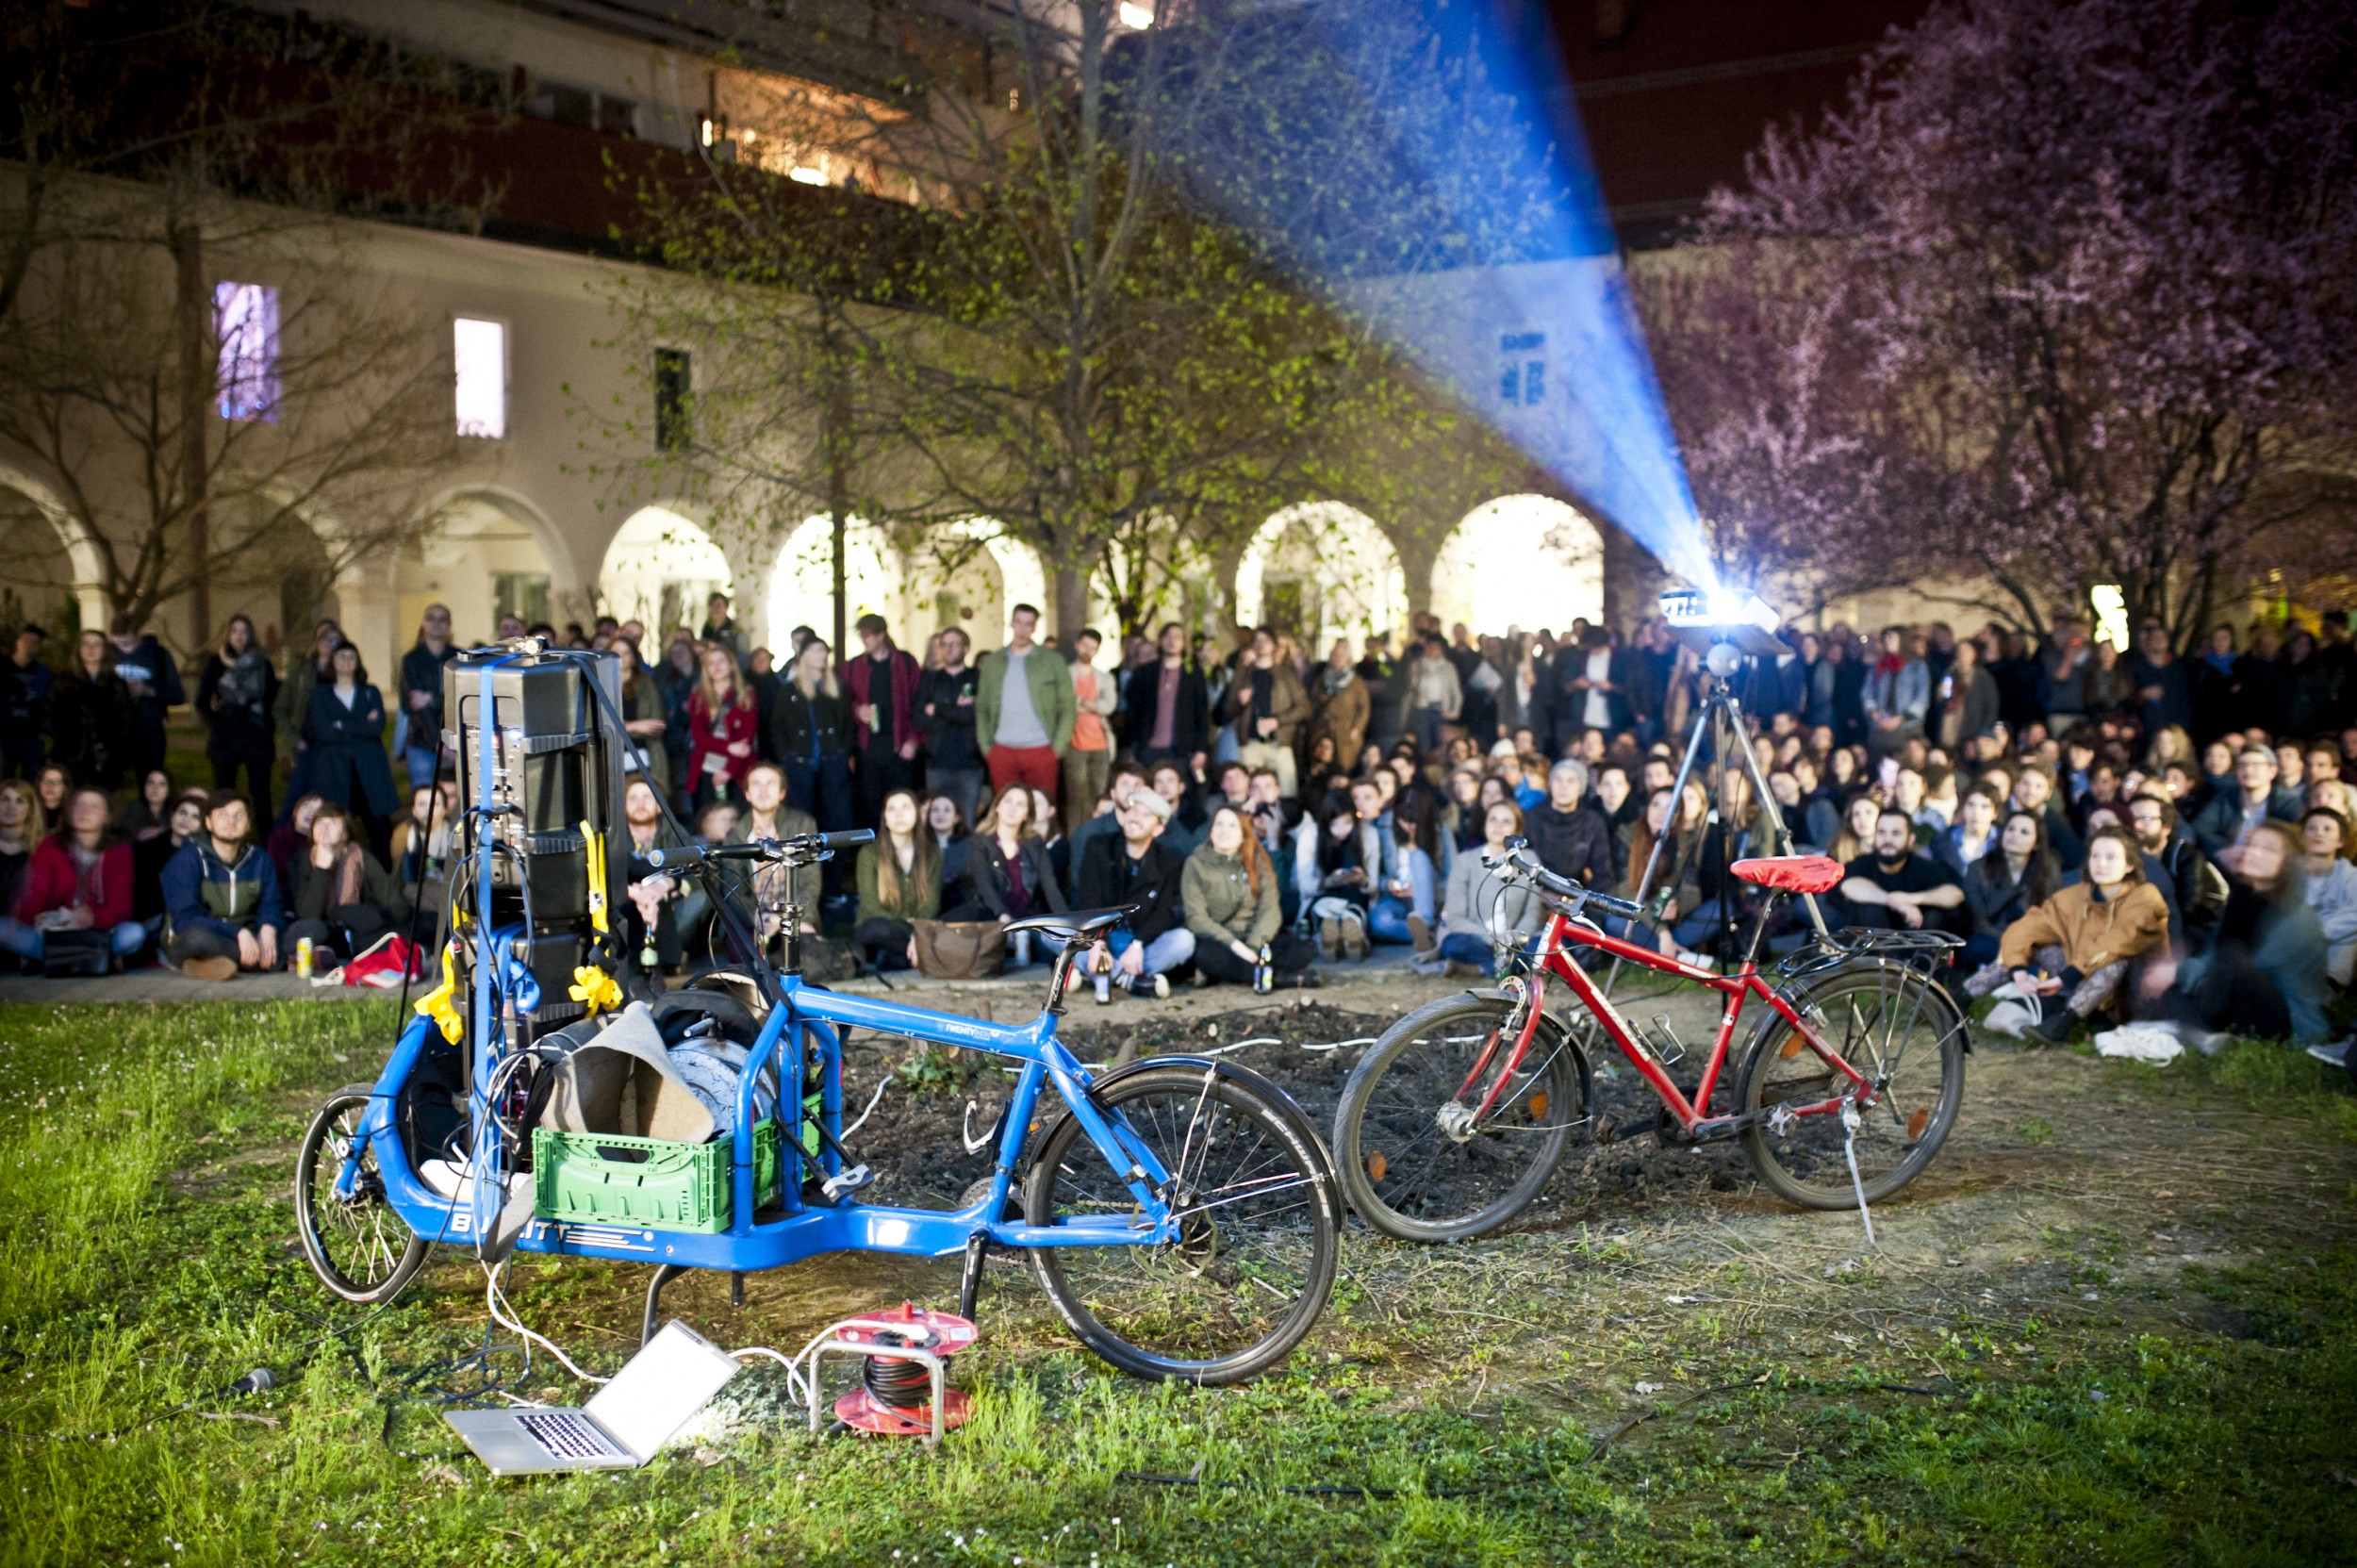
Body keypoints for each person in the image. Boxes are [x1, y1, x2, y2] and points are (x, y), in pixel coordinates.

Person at [2151, 819, 2330, 1049]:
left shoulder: (2295, 915)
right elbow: (2213, 954)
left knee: (2230, 959)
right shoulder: (2243, 896)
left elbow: (2249, 967)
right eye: (2252, 844)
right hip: (2233, 996)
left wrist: (2179, 972)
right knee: (2182, 957)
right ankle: (2195, 1030)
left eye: (2268, 849)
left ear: (2287, 863)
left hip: (2287, 1017)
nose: (2254, 852)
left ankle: (2189, 1027)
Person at [1987, 826, 2170, 1042]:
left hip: (2137, 993)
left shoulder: (2146, 896)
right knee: (2039, 946)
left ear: (2130, 865)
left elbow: (2117, 942)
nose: (2101, 863)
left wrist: (2067, 977)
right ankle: (1961, 998)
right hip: (2087, 985)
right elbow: (2027, 927)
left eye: (2111, 857)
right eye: (2095, 856)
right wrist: (2018, 969)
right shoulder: (2078, 895)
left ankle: (2063, 1022)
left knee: (2113, 961)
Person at [0, 785, 145, 970]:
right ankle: (91, 959)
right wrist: (35, 921)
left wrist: (92, 918)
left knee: (135, 933)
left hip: (98, 932)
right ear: (69, 812)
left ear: (107, 817)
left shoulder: (119, 853)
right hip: (53, 930)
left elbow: (121, 909)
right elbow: (34, 894)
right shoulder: (50, 845)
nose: (84, 811)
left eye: (94, 806)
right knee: (3, 928)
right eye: (78, 805)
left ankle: (57, 959)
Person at [1073, 789, 1194, 999]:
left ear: (1158, 829)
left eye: (1145, 815)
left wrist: (1138, 944)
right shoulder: (1099, 846)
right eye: (1133, 810)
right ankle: (1134, 980)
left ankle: (1102, 975)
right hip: (1101, 937)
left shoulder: (1169, 860)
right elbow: (1089, 898)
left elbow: (1166, 911)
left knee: (1184, 941)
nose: (1135, 818)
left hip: (1140, 944)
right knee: (1057, 934)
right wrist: (1098, 942)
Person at [1184, 803, 1316, 987]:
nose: (1224, 831)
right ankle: (1279, 978)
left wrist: (1254, 946)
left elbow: (1270, 909)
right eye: (1219, 824)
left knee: (1302, 951)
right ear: (1211, 830)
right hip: (1221, 941)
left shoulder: (1257, 861)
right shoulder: (1195, 864)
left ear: (1244, 833)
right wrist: (1236, 946)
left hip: (1254, 937)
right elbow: (1196, 918)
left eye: (1232, 825)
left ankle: (1242, 973)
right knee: (1205, 956)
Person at [160, 790, 283, 980]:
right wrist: (238, 932)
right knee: (197, 939)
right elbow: (185, 919)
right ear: (208, 822)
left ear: (248, 824)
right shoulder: (187, 860)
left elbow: (271, 903)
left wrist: (267, 930)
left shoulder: (260, 859)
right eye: (222, 815)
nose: (231, 821)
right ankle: (263, 961)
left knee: (309, 929)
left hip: (248, 938)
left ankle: (206, 966)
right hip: (199, 939)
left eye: (239, 816)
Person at [287, 643, 396, 850]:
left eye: (351, 656)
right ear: (332, 662)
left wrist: (341, 724)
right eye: (341, 656)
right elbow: (323, 731)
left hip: (369, 772)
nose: (346, 660)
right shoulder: (320, 694)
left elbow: (377, 727)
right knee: (338, 828)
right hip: (334, 771)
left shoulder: (370, 692)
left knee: (380, 831)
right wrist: (361, 723)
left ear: (358, 662)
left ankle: (383, 877)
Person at [283, 803, 410, 968]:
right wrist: (321, 869)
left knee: (390, 934)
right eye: (319, 823)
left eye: (332, 824)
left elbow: (394, 904)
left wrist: (380, 922)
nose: (324, 829)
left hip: (354, 928)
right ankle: (326, 953)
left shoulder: (360, 858)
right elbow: (307, 913)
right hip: (320, 928)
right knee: (312, 929)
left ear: (345, 834)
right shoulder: (301, 860)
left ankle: (328, 954)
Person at [977, 603, 1075, 810]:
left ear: (1034, 628)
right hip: (1002, 749)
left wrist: (1057, 748)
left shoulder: (1052, 660)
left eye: (1028, 624)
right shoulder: (994, 661)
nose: (1022, 629)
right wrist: (988, 749)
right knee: (1006, 811)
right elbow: (982, 708)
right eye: (1018, 622)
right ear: (1011, 623)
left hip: (1041, 748)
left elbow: (1068, 706)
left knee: (1041, 811)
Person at [955, 784, 1066, 962]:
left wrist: (1068, 924)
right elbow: (984, 886)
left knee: (1063, 943)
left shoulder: (1034, 843)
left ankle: (1104, 970)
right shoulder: (979, 841)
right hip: (993, 918)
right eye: (1008, 801)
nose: (1012, 808)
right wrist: (1003, 915)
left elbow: (1050, 887)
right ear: (997, 806)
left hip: (1027, 919)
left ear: (1026, 815)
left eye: (1020, 804)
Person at [194, 615, 279, 823]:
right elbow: (202, 700)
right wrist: (214, 721)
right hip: (226, 737)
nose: (239, 636)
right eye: (234, 631)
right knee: (223, 794)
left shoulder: (262, 664)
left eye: (244, 631)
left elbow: (272, 701)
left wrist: (267, 726)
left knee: (261, 795)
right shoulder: (215, 663)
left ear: (250, 634)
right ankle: (222, 836)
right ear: (228, 635)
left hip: (256, 736)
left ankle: (266, 843)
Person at [1838, 804, 1970, 938]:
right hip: (1870, 950)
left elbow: (1955, 894)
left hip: (1915, 944)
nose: (1887, 840)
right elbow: (1849, 886)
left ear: (1910, 839)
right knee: (1868, 909)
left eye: (1896, 833)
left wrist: (1911, 899)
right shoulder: (1863, 862)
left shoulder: (1923, 867)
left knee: (1934, 913)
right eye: (1882, 832)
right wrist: (1893, 901)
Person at [842, 613, 923, 827]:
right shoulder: (852, 667)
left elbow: (919, 703)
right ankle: (874, 854)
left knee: (902, 804)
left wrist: (914, 739)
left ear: (881, 635)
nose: (863, 640)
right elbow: (843, 704)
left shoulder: (906, 663)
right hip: (867, 750)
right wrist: (857, 710)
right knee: (870, 808)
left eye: (867, 635)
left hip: (900, 749)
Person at [728, 763, 820, 947]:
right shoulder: (736, 835)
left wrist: (792, 919)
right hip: (756, 919)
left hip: (796, 915)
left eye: (770, 783)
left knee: (805, 955)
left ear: (782, 793)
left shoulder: (802, 824)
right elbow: (733, 890)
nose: (763, 790)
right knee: (743, 961)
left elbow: (811, 881)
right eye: (756, 784)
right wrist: (761, 917)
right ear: (747, 794)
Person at [768, 635, 856, 831]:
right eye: (817, 650)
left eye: (824, 650)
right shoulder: (789, 690)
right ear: (804, 656)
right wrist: (786, 756)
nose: (822, 655)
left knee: (838, 817)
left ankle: (838, 861)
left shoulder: (837, 688)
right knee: (802, 817)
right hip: (799, 762)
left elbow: (848, 725)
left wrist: (843, 753)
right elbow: (777, 726)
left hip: (832, 760)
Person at [2125, 793, 2228, 952]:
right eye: (2132, 819)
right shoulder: (2128, 859)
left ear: (2166, 827)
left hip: (2197, 932)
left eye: (2145, 819)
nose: (2137, 825)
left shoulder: (2185, 857)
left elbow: (2188, 906)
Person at [853, 788, 940, 971]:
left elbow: (931, 904)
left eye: (906, 807)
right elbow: (870, 905)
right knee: (876, 928)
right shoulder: (869, 853)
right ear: (884, 817)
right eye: (892, 809)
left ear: (917, 814)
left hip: (917, 932)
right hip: (880, 929)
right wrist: (911, 935)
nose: (899, 814)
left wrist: (918, 933)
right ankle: (918, 952)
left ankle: (899, 958)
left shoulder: (933, 854)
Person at [1222, 628, 1310, 800]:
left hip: (1280, 743)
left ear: (1274, 645)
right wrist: (1240, 703)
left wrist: (1277, 721)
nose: (1261, 644)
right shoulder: (1242, 674)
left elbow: (1304, 708)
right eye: (1257, 640)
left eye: (1266, 640)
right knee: (1249, 795)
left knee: (1287, 793)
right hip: (1250, 744)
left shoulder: (1286, 674)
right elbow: (1228, 710)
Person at [48, 630, 136, 791]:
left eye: (96, 645)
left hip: (106, 758)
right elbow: (49, 714)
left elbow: (126, 721)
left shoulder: (116, 685)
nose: (91, 649)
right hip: (70, 757)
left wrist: (115, 752)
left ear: (104, 650)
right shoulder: (63, 681)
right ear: (78, 649)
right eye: (86, 644)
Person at [917, 625, 985, 828]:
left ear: (966, 648)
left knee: (967, 824)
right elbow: (919, 719)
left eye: (954, 644)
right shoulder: (930, 679)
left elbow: (976, 715)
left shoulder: (977, 678)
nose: (948, 649)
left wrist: (937, 709)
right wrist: (957, 710)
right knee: (936, 825)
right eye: (944, 645)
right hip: (937, 763)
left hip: (970, 764)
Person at [106, 615, 183, 779]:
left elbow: (178, 695)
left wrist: (149, 690)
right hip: (116, 727)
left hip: (149, 727)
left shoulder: (157, 655)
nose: (123, 649)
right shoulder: (109, 655)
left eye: (127, 643)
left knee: (149, 775)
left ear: (138, 634)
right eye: (118, 644)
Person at [1124, 621, 1210, 769]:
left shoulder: (1194, 674)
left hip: (1182, 749)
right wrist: (1135, 744)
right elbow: (1134, 711)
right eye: (1167, 636)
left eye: (1177, 637)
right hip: (1148, 748)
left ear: (1183, 643)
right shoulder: (1145, 672)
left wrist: (1200, 749)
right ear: (1161, 640)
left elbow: (1201, 714)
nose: (1172, 641)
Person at [2189, 744, 2302, 855]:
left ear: (2272, 772)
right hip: (2228, 863)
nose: (2248, 770)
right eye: (2242, 765)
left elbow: (2292, 840)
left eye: (2256, 765)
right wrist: (2227, 851)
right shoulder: (2225, 797)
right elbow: (2201, 827)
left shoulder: (2288, 804)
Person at [685, 642, 759, 810]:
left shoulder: (746, 694)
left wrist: (729, 771)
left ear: (731, 665)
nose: (716, 666)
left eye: (721, 661)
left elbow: (745, 740)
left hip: (738, 769)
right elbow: (699, 737)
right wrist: (728, 747)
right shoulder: (698, 696)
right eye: (711, 663)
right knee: (707, 820)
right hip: (706, 767)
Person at [1525, 759, 1616, 890]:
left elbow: (1603, 874)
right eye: (1558, 780)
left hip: (1577, 899)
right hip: (1536, 894)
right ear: (1550, 784)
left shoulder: (1593, 822)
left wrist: (1579, 899)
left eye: (1571, 781)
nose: (1564, 786)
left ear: (1581, 788)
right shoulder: (1531, 818)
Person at [396, 603, 457, 790]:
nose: (436, 623)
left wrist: (430, 699)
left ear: (449, 625)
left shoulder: (458, 658)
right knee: (424, 797)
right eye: (431, 618)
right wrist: (438, 743)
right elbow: (411, 704)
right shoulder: (412, 659)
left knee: (455, 801)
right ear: (423, 623)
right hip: (421, 743)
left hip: (455, 742)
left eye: (442, 619)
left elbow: (459, 699)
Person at [1063, 629, 1117, 834]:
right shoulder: (1066, 674)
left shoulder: (1104, 678)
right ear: (1077, 645)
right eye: (1085, 645)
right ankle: (1075, 841)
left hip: (1100, 744)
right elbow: (1064, 705)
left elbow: (1109, 705)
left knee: (1098, 797)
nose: (1088, 651)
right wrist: (1094, 704)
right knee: (1075, 799)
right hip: (1074, 743)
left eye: (1093, 648)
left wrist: (1081, 702)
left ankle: (1097, 839)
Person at [2299, 808, 2357, 994]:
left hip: (2331, 944)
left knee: (2350, 936)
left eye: (2327, 829)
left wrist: (2317, 932)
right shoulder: (2287, 872)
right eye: (2312, 828)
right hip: (2293, 941)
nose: (2318, 833)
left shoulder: (2351, 877)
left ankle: (2328, 986)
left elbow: (2354, 916)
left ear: (2340, 841)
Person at [273, 620, 341, 766]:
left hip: (337, 748)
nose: (327, 642)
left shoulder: (347, 675)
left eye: (332, 638)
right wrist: (294, 740)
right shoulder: (300, 673)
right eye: (323, 637)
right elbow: (280, 710)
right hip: (307, 746)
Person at [612, 637, 671, 799]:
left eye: (626, 653)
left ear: (633, 657)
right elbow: (600, 727)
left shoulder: (647, 685)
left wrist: (620, 728)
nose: (622, 657)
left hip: (648, 758)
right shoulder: (599, 686)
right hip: (613, 760)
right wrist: (634, 726)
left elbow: (656, 726)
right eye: (616, 653)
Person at [1304, 638, 1369, 780]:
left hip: (1345, 732)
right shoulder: (1321, 679)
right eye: (1335, 655)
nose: (1337, 658)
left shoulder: (1356, 682)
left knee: (1343, 767)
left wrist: (1357, 729)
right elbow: (1312, 703)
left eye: (1341, 655)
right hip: (1322, 730)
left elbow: (1364, 709)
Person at [1862, 627, 1930, 757]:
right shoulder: (1879, 664)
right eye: (1886, 637)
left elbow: (1922, 697)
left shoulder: (1917, 666)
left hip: (1907, 728)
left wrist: (1900, 718)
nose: (1887, 641)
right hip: (1880, 726)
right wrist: (1874, 713)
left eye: (1891, 637)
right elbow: (1868, 692)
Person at [0, 624, 50, 781]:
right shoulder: (2, 666)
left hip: (32, 735)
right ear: (17, 641)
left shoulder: (42, 672)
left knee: (32, 779)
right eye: (26, 640)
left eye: (35, 642)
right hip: (4, 734)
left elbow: (47, 702)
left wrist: (43, 729)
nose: (29, 645)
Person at [2127, 623, 2193, 738]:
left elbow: (2185, 701)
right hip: (2143, 735)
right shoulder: (2134, 668)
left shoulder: (2179, 669)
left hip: (2173, 733)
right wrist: (2141, 695)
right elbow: (2125, 699)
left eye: (2162, 637)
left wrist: (2183, 728)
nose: (2159, 641)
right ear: (2148, 642)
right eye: (2155, 638)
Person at [0, 780, 44, 932]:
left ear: (30, 809)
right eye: (5, 799)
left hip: (25, 928)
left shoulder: (42, 850)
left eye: (20, 801)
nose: (11, 807)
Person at [699, 591, 750, 668]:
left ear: (726, 608)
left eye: (719, 606)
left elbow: (743, 660)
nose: (715, 609)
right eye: (712, 606)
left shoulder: (736, 631)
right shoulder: (706, 629)